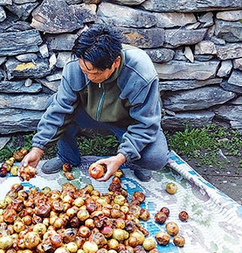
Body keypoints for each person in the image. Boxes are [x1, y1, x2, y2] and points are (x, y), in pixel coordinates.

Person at [21, 24, 169, 182]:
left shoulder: (141, 73)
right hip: (88, 114)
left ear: (116, 62)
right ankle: (67, 157)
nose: (90, 78)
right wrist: (38, 148)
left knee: (155, 158)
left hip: (127, 121)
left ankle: (136, 163)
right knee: (53, 103)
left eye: (96, 73)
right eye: (85, 72)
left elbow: (145, 124)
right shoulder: (75, 67)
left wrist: (121, 157)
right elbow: (59, 110)